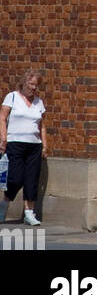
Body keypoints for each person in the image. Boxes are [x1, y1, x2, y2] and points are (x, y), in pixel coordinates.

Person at [0, 69, 48, 225]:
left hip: (34, 145)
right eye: (31, 84)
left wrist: (45, 145)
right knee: (15, 178)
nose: (33, 87)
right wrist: (3, 139)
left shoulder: (38, 102)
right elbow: (2, 118)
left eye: (36, 85)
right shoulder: (12, 97)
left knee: (31, 179)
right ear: (24, 82)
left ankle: (29, 212)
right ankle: (4, 205)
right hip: (15, 143)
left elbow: (42, 126)